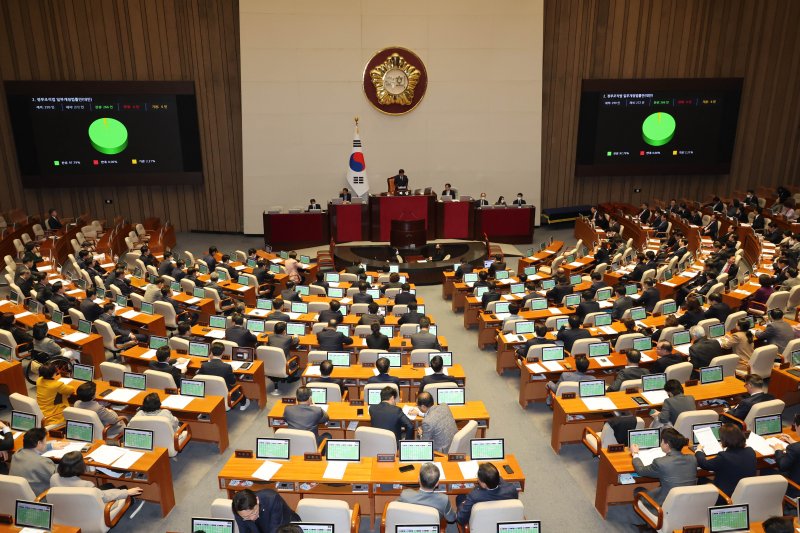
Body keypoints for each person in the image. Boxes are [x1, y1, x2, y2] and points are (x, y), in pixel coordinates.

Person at [631, 427, 697, 509]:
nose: (661, 443)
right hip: (688, 503)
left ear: (667, 445)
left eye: (662, 441)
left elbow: (640, 471)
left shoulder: (661, 462)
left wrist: (635, 453)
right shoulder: (692, 459)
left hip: (664, 506)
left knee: (638, 490)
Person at [694, 424, 756, 503]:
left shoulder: (723, 457)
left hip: (725, 496)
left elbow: (704, 464)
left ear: (724, 441)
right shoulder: (750, 451)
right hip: (745, 493)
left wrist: (698, 451)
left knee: (699, 480)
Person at [51, 451, 142, 500]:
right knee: (119, 490)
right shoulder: (86, 485)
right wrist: (127, 492)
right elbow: (104, 497)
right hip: (89, 512)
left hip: (67, 510)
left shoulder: (53, 478)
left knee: (108, 486)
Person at [9, 428, 64, 495]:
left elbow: (29, 448)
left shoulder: (16, 454)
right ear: (39, 443)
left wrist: (50, 446)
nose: (46, 443)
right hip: (38, 497)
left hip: (17, 494)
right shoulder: (42, 462)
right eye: (45, 441)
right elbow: (58, 474)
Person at [199, 341, 249, 409]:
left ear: (211, 352)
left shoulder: (204, 366)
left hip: (209, 393)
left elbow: (199, 378)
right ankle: (243, 403)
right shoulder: (227, 367)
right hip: (226, 394)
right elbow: (233, 382)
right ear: (223, 352)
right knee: (237, 388)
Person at [231, 488, 300, 533]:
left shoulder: (272, 499)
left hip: (288, 528)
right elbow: (244, 530)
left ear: (257, 500)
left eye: (253, 513)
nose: (252, 518)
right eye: (246, 517)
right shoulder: (238, 509)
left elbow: (275, 529)